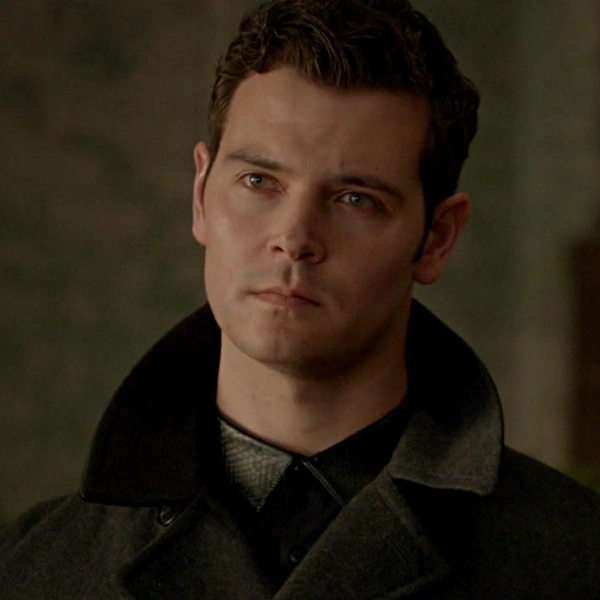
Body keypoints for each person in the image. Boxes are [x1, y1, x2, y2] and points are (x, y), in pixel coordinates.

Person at [2, 0, 599, 598]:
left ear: (437, 238)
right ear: (201, 195)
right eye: (259, 181)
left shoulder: (573, 559)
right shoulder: (32, 565)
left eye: (356, 199)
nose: (294, 238)